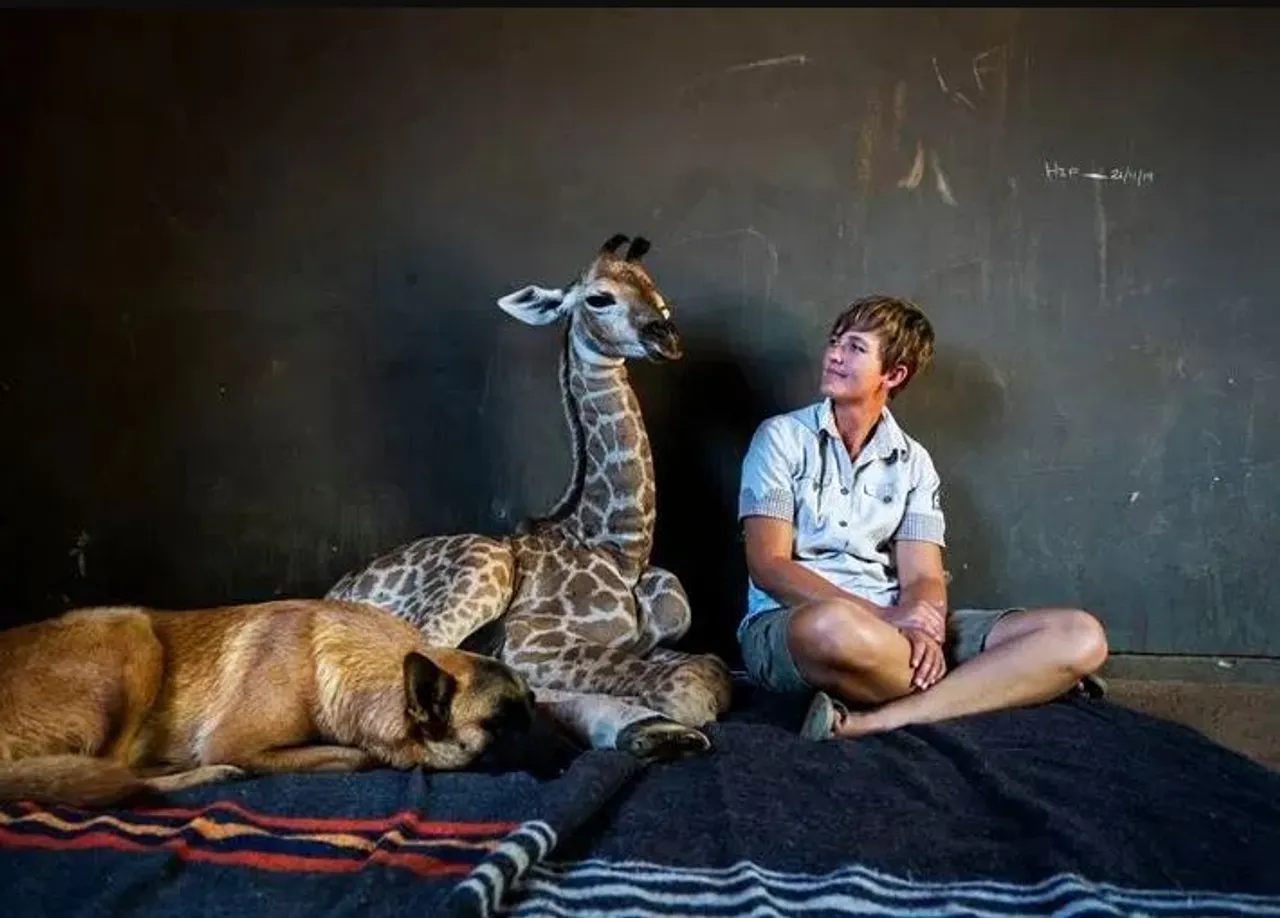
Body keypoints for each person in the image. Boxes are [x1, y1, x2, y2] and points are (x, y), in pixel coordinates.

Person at [736, 294, 1109, 739]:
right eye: (835, 342)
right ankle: (1009, 683)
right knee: (832, 625)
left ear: (893, 375)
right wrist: (885, 619)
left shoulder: (914, 462)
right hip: (796, 627)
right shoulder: (780, 438)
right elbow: (769, 566)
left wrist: (924, 630)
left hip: (897, 630)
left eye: (855, 348)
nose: (834, 355)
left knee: (1080, 635)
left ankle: (876, 719)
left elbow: (923, 580)